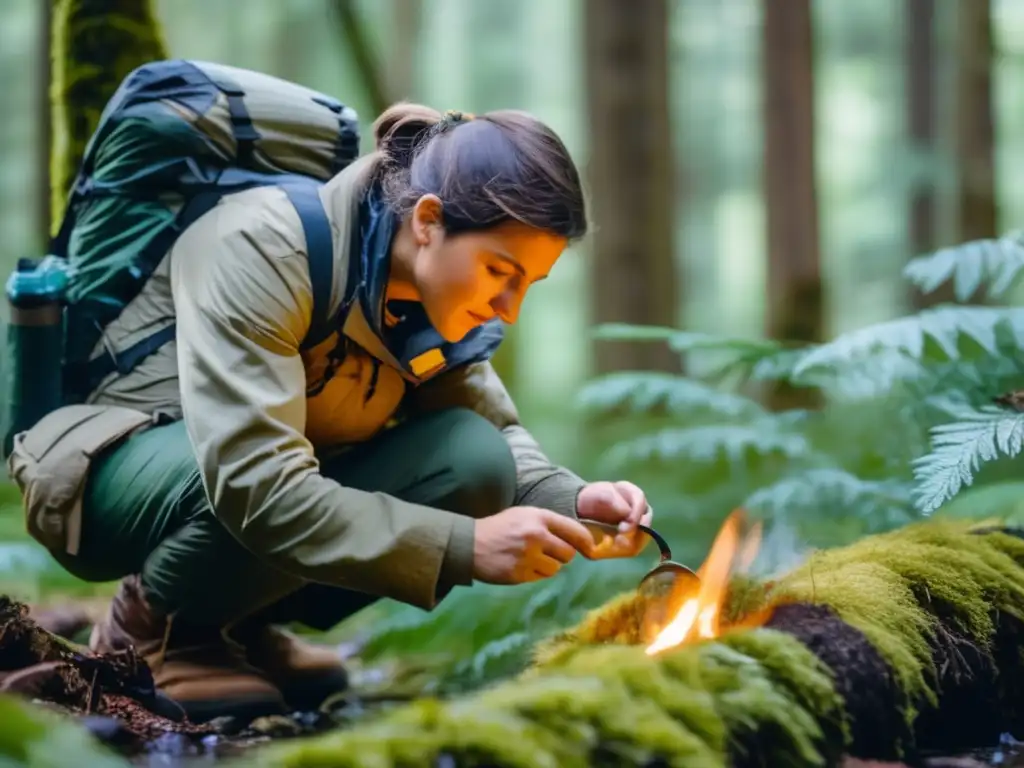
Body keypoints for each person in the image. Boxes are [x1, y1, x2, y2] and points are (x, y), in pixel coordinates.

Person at [11, 104, 653, 722]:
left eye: (527, 286)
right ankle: (150, 628)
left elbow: (496, 438)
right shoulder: (263, 246)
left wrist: (576, 500)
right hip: (108, 469)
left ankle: (237, 626)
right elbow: (255, 484)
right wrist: (464, 545)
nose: (508, 309)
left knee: (474, 460)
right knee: (268, 473)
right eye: (498, 271)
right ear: (428, 221)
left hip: (249, 480)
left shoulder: (435, 298)